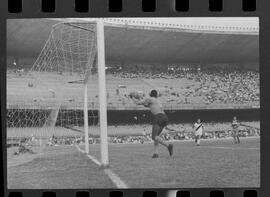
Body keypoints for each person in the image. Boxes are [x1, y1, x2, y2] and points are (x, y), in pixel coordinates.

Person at [130, 89, 173, 158]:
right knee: (157, 136)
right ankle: (155, 153)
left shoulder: (150, 99)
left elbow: (138, 103)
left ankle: (168, 146)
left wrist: (132, 97)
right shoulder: (157, 101)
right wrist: (140, 98)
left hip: (158, 117)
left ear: (151, 94)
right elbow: (146, 105)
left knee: (154, 137)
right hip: (164, 117)